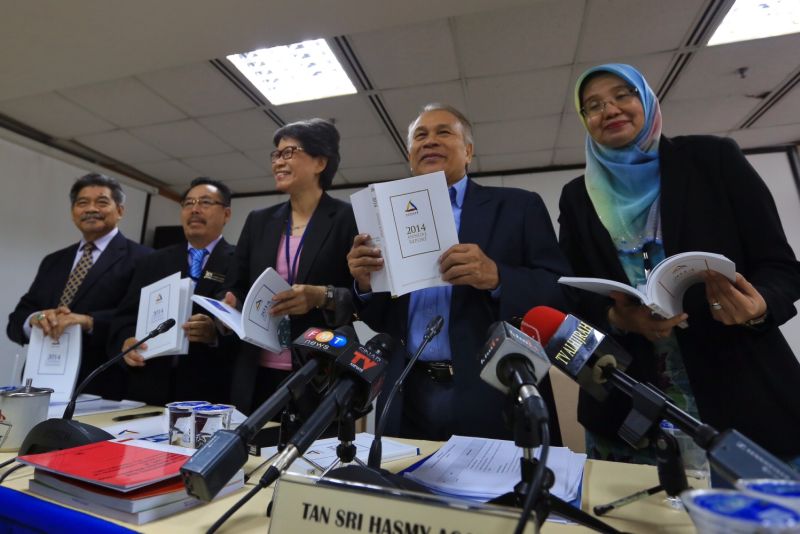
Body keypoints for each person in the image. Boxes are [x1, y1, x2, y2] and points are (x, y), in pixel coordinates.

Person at [558, 63, 800, 465]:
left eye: (622, 95)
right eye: (594, 105)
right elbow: (570, 291)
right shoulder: (577, 196)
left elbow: (781, 266)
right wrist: (617, 317)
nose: (610, 110)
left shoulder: (712, 159)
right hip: (630, 407)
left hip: (743, 392)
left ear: (647, 100)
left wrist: (757, 305)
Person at [347, 103, 572, 441]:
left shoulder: (518, 206)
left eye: (443, 132)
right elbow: (384, 320)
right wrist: (365, 285)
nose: (429, 141)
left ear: (468, 152)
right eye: (420, 136)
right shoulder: (386, 218)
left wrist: (497, 277)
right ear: (410, 157)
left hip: (490, 391)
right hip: (407, 393)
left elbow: (558, 292)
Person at [223, 118, 358, 413]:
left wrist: (322, 296)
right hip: (256, 370)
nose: (278, 162)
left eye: (289, 153)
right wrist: (229, 303)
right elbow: (236, 285)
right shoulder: (259, 220)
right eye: (276, 154)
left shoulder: (348, 218)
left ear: (320, 162)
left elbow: (363, 296)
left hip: (317, 369)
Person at [7, 173, 151, 399]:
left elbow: (140, 318)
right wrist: (37, 318)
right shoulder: (53, 261)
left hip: (101, 383)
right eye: (82, 203)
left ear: (120, 210)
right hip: (38, 383)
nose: (91, 209)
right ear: (73, 211)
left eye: (101, 202)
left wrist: (88, 321)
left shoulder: (144, 259)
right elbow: (17, 318)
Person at [108, 178, 237, 406]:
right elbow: (125, 317)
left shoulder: (240, 262)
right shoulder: (153, 261)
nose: (195, 209)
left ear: (226, 214)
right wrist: (126, 342)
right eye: (188, 203)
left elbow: (246, 330)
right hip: (148, 387)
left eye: (205, 202)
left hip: (209, 390)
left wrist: (214, 335)